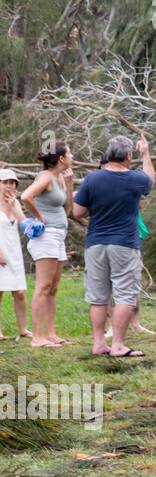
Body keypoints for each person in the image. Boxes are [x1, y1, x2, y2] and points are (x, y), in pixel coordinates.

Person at [73, 135, 154, 358]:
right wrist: (145, 153)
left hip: (96, 243)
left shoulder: (92, 179)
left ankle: (99, 343)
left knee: (98, 296)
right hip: (125, 244)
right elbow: (151, 180)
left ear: (108, 155)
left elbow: (78, 212)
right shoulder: (136, 179)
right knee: (125, 294)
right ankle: (118, 345)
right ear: (128, 156)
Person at [22, 142, 75, 346]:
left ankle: (51, 334)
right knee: (43, 286)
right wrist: (39, 216)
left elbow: (68, 210)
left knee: (53, 288)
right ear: (61, 158)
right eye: (69, 153)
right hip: (47, 237)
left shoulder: (60, 177)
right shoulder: (45, 177)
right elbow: (26, 196)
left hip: (59, 236)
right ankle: (37, 337)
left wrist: (70, 186)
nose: (72, 155)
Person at [0, 170, 32, 340]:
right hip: (0, 250)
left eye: (12, 183)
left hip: (14, 251)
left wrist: (14, 206)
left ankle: (23, 329)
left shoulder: (15, 203)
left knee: (19, 292)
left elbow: (24, 224)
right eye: (6, 182)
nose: (9, 186)